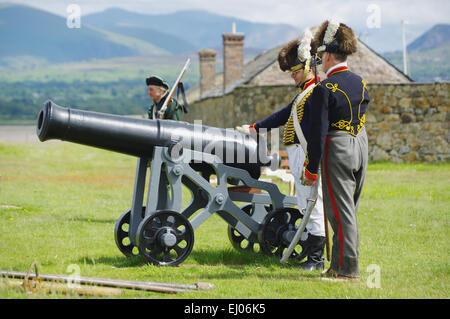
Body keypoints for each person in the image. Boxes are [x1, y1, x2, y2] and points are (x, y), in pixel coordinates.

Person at [238, 29, 326, 271]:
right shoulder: (304, 94)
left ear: (308, 67)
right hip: (298, 154)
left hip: (306, 154)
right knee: (303, 204)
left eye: (295, 71)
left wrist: (311, 164)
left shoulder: (316, 92)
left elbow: (317, 134)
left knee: (312, 205)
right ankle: (312, 254)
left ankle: (316, 260)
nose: (292, 77)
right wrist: (257, 127)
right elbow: (283, 115)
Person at [302, 20, 370, 282]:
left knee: (339, 213)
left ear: (328, 55)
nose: (319, 60)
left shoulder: (324, 89)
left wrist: (310, 168)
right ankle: (337, 264)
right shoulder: (361, 83)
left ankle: (348, 270)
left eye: (320, 56)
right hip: (360, 145)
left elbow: (318, 135)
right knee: (347, 210)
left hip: (337, 147)